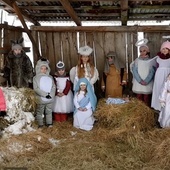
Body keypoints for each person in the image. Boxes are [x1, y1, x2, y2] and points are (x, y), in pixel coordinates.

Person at [33, 58, 56, 128]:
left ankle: (49, 123)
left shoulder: (50, 77)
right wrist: (45, 95)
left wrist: (51, 94)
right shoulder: (36, 78)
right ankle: (40, 124)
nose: (44, 70)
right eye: (42, 68)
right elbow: (36, 88)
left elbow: (53, 87)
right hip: (41, 99)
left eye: (45, 68)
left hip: (49, 99)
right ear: (38, 69)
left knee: (49, 111)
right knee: (40, 111)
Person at [151, 40, 170, 111]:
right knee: (158, 89)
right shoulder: (158, 58)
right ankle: (158, 106)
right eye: (163, 48)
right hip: (159, 76)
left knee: (166, 90)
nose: (165, 50)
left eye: (167, 49)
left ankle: (166, 108)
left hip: (168, 76)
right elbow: (154, 67)